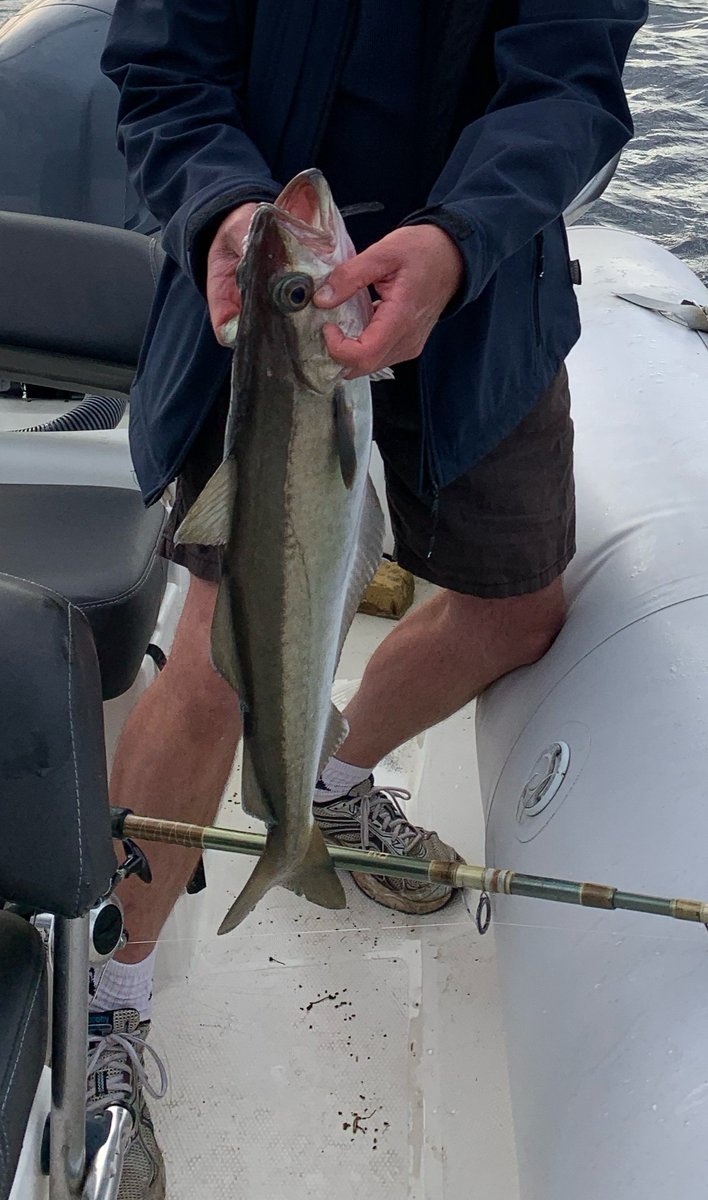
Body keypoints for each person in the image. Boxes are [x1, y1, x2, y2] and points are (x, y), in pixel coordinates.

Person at [90, 2, 648, 1195]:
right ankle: (112, 995)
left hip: (486, 288)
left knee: (521, 603)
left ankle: (327, 794)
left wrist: (457, 238)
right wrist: (228, 212)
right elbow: (162, 66)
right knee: (211, 655)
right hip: (262, 309)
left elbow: (572, 82)